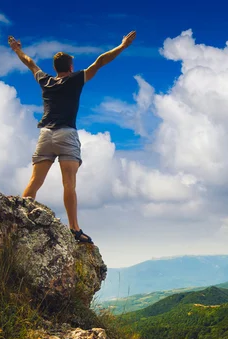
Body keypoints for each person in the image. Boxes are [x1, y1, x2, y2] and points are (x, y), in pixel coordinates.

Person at [8, 31, 137, 244]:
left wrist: (17, 50)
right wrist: (122, 46)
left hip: (45, 135)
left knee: (35, 181)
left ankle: (16, 220)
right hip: (66, 134)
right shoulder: (76, 79)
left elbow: (30, 63)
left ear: (56, 68)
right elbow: (100, 61)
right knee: (69, 184)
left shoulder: (45, 81)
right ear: (70, 68)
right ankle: (74, 229)